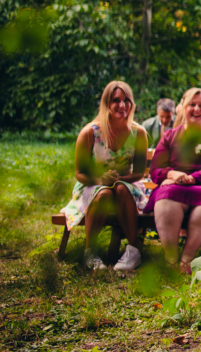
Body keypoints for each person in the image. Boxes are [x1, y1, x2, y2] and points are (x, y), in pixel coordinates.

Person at [60, 81, 149, 271]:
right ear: (106, 103)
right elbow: (80, 173)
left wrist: (121, 179)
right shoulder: (90, 133)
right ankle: (90, 252)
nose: (122, 105)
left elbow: (139, 173)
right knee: (104, 193)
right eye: (116, 100)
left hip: (126, 185)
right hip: (92, 184)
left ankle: (133, 252)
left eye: (127, 100)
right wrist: (101, 180)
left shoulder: (138, 133)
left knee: (120, 189)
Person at [146, 87, 201, 272]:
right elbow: (156, 169)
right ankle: (170, 257)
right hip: (176, 185)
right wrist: (172, 174)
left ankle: (187, 257)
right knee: (165, 192)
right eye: (192, 105)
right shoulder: (170, 136)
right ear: (182, 108)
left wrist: (192, 178)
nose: (196, 109)